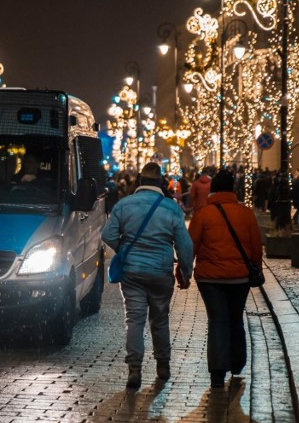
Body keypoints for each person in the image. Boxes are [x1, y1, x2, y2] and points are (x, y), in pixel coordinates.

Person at [101, 162, 194, 389]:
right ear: (160, 182)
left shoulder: (124, 205)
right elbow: (184, 245)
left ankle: (134, 369)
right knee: (160, 320)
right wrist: (185, 271)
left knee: (134, 320)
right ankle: (163, 365)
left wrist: (124, 248)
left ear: (140, 182)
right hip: (161, 272)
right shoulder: (171, 208)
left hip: (132, 271)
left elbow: (108, 234)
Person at [187, 170, 263, 388]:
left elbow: (191, 244)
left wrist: (184, 271)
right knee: (235, 318)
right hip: (239, 277)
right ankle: (237, 363)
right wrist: (255, 268)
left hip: (209, 279)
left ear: (213, 189)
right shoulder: (246, 213)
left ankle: (218, 372)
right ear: (233, 189)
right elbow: (256, 246)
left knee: (217, 320)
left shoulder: (203, 214)